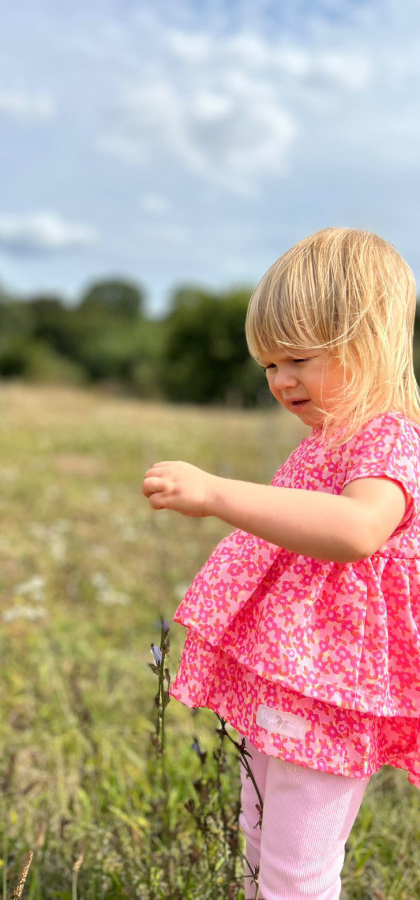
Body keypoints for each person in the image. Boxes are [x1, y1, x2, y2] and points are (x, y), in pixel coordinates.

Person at [142, 228, 420, 900]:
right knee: (264, 841)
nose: (281, 380)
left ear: (369, 342)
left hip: (331, 688)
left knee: (297, 869)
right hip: (291, 674)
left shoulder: (388, 440)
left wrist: (215, 494)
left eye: (297, 357)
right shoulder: (330, 441)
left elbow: (357, 530)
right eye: (268, 365)